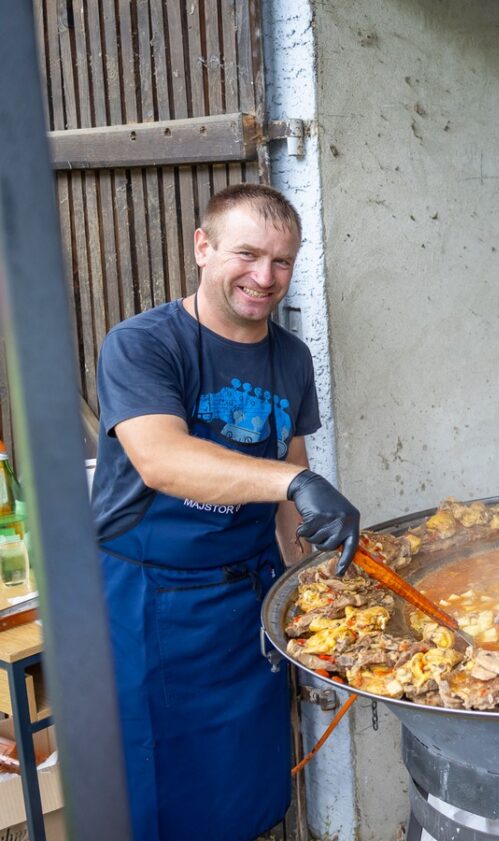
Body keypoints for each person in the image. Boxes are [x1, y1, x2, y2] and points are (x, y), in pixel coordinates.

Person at [91, 184, 360, 840]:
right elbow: (162, 459)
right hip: (154, 605)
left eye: (282, 262)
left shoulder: (291, 358)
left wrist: (320, 585)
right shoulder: (143, 344)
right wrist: (299, 480)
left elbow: (288, 482)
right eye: (247, 254)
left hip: (249, 604)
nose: (264, 278)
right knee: (159, 796)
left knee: (249, 785)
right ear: (203, 248)